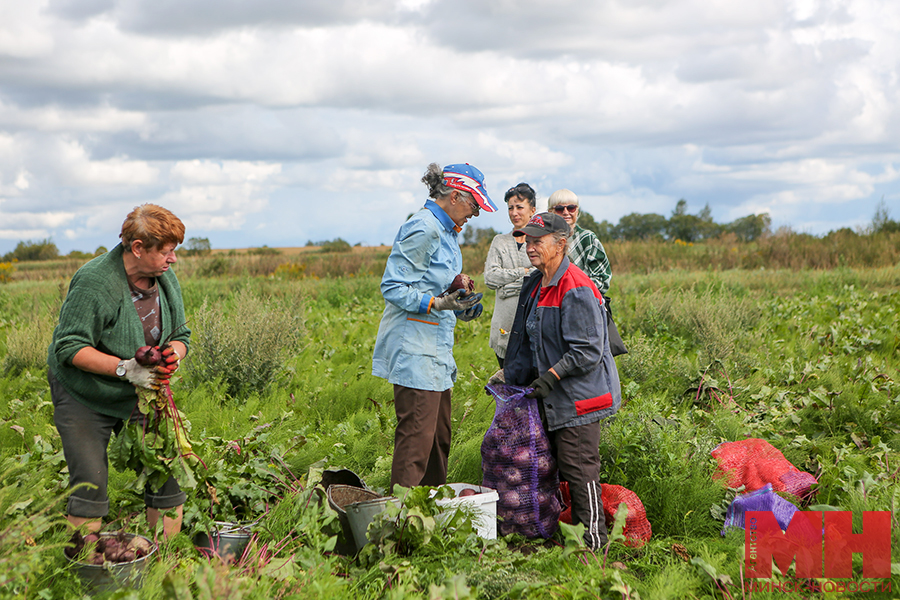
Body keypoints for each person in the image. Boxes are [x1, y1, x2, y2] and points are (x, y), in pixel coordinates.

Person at [47, 204, 190, 539]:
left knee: (165, 469)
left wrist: (175, 355)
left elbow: (180, 334)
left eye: (174, 252)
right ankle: (84, 567)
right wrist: (125, 369)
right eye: (166, 252)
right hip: (85, 393)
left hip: (140, 394)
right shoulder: (96, 282)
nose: (173, 260)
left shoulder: (165, 280)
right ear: (138, 248)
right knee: (89, 481)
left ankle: (163, 560)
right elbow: (69, 347)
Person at [372, 163, 496, 490]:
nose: (476, 214)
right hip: (415, 349)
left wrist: (456, 290)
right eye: (474, 205)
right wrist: (437, 303)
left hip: (435, 351)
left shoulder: (447, 232)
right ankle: (401, 527)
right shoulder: (424, 228)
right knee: (417, 442)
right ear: (454, 196)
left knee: (438, 440)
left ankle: (431, 514)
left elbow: (429, 279)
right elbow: (393, 287)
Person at [502, 212, 622, 550]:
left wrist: (550, 377)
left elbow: (587, 350)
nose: (530, 246)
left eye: (538, 241)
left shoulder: (576, 286)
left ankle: (594, 543)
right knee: (562, 466)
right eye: (527, 240)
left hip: (581, 398)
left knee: (579, 468)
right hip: (557, 397)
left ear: (561, 244)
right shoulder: (541, 283)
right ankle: (567, 533)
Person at [484, 183, 537, 368]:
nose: (514, 212)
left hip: (532, 326)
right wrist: (523, 273)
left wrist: (507, 287)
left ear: (532, 210)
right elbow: (490, 278)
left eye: (519, 207)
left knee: (531, 384)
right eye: (510, 208)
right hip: (503, 328)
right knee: (507, 383)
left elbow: (540, 277)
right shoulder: (500, 241)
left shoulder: (539, 242)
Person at [547, 189, 611, 295]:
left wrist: (576, 293)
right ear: (550, 212)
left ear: (577, 211)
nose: (566, 212)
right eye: (559, 209)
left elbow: (602, 277)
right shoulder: (545, 240)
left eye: (571, 208)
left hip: (584, 300)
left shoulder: (588, 238)